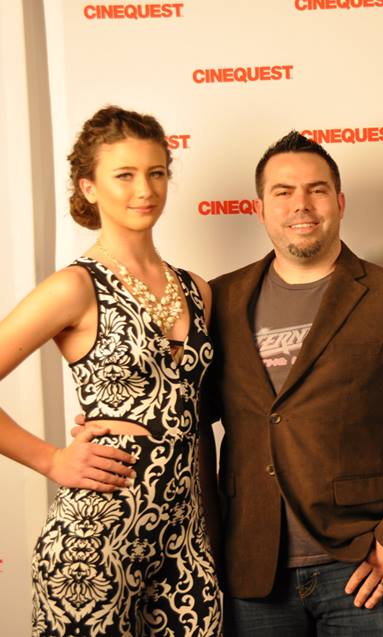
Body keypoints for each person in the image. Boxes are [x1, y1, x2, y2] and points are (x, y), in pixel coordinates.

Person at [202, 131, 383, 636]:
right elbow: (186, 412)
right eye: (283, 191)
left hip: (363, 566)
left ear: (338, 202)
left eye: (317, 189)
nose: (301, 204)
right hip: (254, 565)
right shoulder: (219, 299)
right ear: (260, 208)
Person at [0, 106, 222, 635]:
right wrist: (53, 459)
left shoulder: (198, 289)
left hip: (184, 544)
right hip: (93, 547)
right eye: (124, 175)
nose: (144, 189)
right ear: (90, 187)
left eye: (156, 172)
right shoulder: (74, 287)